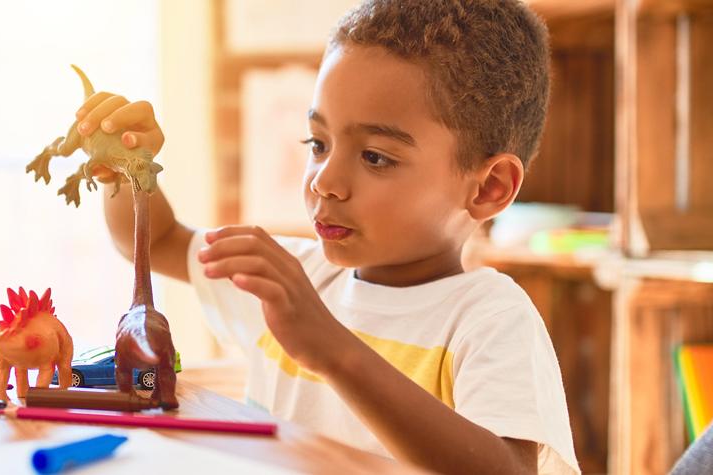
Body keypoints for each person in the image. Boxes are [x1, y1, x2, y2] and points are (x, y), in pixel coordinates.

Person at [91, 1, 576, 473]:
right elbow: (159, 243)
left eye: (375, 157)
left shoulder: (489, 319)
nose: (324, 180)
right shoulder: (290, 278)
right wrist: (127, 168)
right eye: (317, 144)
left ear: (488, 188)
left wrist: (332, 350)